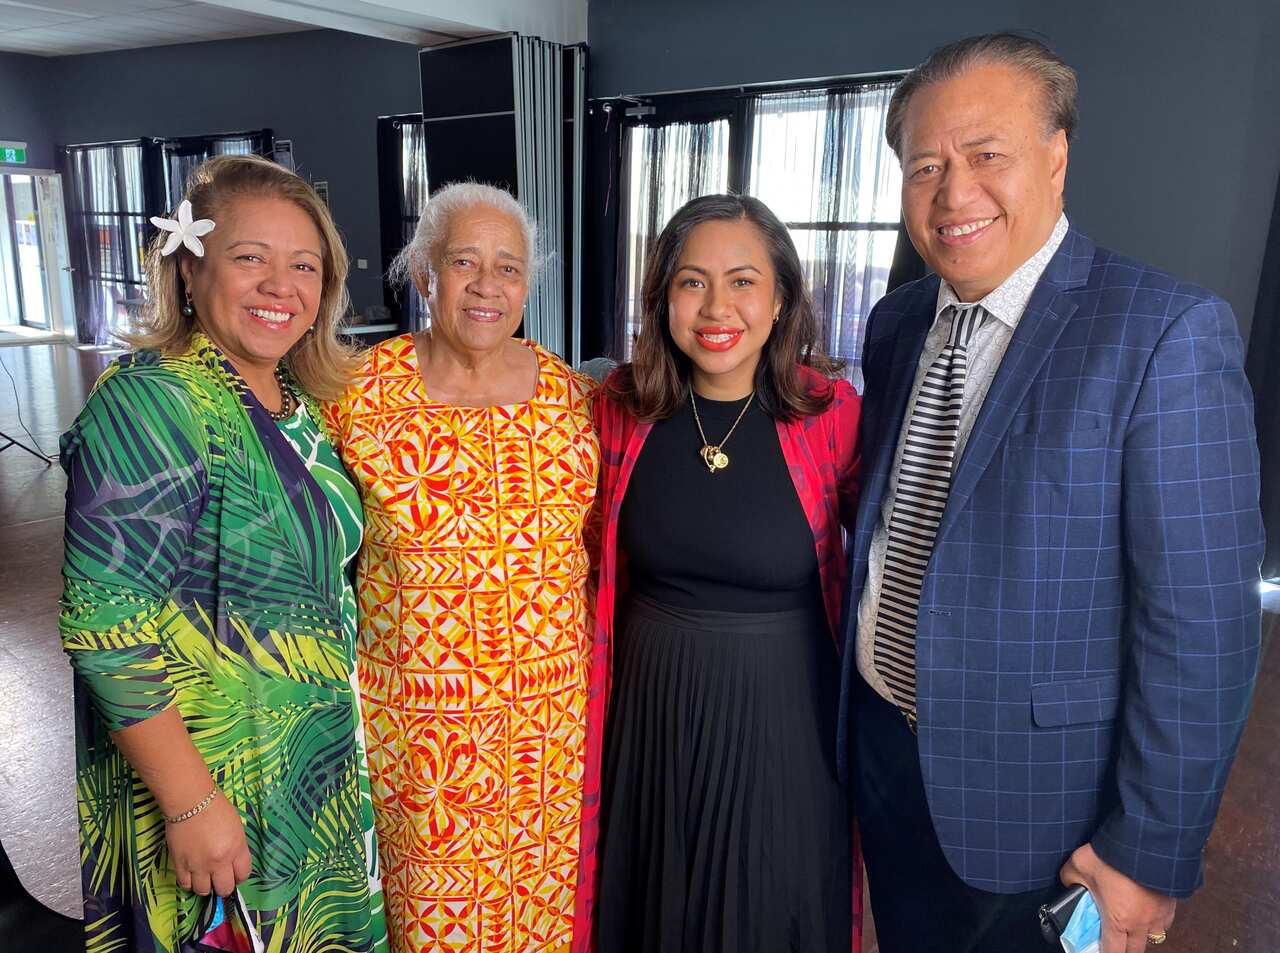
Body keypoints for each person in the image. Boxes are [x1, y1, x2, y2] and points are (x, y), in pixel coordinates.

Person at [837, 33, 1264, 953]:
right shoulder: (897, 321)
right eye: (926, 166)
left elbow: (1204, 626)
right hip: (884, 757)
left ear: (1057, 156)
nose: (954, 193)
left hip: (1043, 809)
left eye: (987, 156)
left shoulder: (1164, 334)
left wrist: (1149, 852)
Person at [59, 154, 387, 952]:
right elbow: (106, 628)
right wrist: (191, 801)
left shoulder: (297, 403)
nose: (281, 286)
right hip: (217, 777)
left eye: (303, 265)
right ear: (188, 270)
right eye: (251, 258)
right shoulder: (156, 399)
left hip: (305, 774)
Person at [575, 194, 863, 953]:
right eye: (692, 281)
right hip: (648, 710)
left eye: (742, 281)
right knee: (650, 910)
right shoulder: (618, 408)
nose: (716, 306)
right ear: (664, 297)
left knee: (767, 908)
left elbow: (895, 551)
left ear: (780, 301)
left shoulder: (829, 415)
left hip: (783, 716)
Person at [324, 182, 599, 953]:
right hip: (422, 746)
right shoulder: (355, 397)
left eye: (508, 267)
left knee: (545, 925)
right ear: (424, 275)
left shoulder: (573, 400)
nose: (487, 285)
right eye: (463, 261)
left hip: (549, 737)